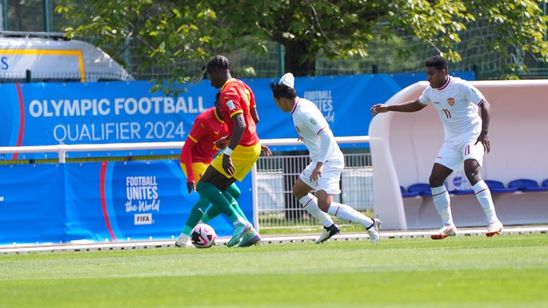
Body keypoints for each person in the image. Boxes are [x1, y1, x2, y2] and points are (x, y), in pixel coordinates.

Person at [371, 55, 503, 239]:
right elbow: (416, 105)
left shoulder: (460, 86)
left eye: (431, 74)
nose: (428, 77)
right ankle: (448, 225)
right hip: (452, 140)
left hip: (471, 135)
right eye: (427, 74)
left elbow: (484, 104)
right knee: (435, 179)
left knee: (471, 171)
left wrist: (485, 133)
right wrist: (389, 108)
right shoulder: (431, 91)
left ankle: (493, 221)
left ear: (443, 72)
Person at [270, 73, 381, 244]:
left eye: (276, 101)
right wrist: (306, 137)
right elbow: (315, 131)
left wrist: (319, 165)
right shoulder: (300, 106)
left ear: (283, 99)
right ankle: (329, 227)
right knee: (299, 190)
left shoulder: (303, 111)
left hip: (328, 160)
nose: (277, 105)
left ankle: (370, 223)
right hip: (320, 160)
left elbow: (327, 136)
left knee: (325, 204)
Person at [197, 55, 271, 247]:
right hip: (252, 146)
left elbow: (241, 124)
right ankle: (250, 233)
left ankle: (240, 224)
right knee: (221, 187)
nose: (210, 81)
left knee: (204, 186)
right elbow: (255, 118)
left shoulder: (227, 93)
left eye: (211, 76)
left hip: (241, 149)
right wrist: (231, 139)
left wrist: (228, 152)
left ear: (218, 72)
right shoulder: (243, 86)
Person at [175, 92, 251, 247]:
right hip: (194, 161)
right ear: (216, 103)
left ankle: (202, 223)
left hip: (209, 162)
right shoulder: (204, 120)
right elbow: (186, 149)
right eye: (222, 105)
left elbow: (235, 138)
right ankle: (183, 239)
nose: (225, 109)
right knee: (207, 196)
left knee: (235, 192)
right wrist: (190, 177)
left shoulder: (230, 120)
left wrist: (256, 145)